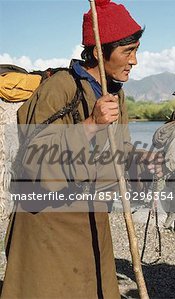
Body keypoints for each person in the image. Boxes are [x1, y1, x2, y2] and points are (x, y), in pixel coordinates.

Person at [1, 1, 154, 298]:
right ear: (99, 51)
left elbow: (114, 158)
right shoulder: (59, 88)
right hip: (48, 226)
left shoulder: (114, 94)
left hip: (93, 222)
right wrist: (90, 124)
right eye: (128, 51)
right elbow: (34, 159)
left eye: (136, 50)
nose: (134, 60)